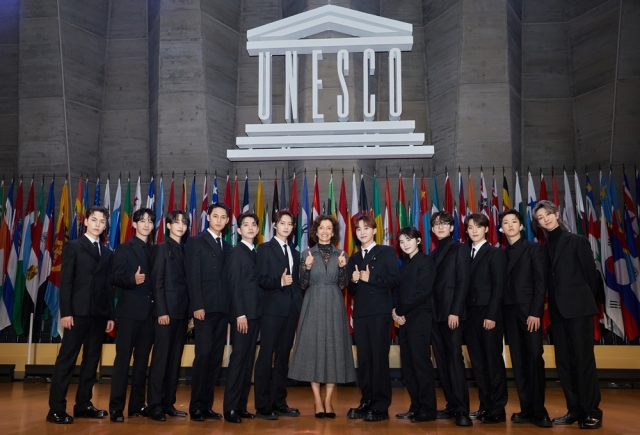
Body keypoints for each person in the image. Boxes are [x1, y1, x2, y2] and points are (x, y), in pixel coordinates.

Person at [533, 200, 602, 429]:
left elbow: (591, 277)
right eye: (540, 218)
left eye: (547, 215)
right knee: (564, 363)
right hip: (557, 313)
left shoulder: (576, 241)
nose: (545, 220)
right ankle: (574, 409)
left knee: (583, 362)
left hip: (579, 310)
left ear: (557, 213)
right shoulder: (542, 248)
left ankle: (592, 411)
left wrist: (581, 304)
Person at [46, 206, 114, 424]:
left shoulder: (108, 252)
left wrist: (110, 316)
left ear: (105, 226)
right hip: (76, 314)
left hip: (99, 315)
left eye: (102, 222)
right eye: (94, 220)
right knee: (67, 360)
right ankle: (55, 409)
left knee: (91, 361)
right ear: (86, 222)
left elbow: (107, 286)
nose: (97, 224)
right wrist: (66, 312)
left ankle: (83, 404)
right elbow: (65, 282)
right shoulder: (73, 246)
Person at [288, 215, 356, 419]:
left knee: (334, 349)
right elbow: (301, 284)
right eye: (321, 228)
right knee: (313, 349)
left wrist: (344, 267)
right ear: (315, 232)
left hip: (334, 302)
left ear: (333, 232)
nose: (325, 231)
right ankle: (317, 400)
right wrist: (306, 267)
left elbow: (344, 285)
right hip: (313, 302)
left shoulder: (341, 253)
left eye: (329, 228)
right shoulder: (307, 253)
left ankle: (328, 400)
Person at [499, 209, 551, 428]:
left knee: (534, 357)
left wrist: (535, 312)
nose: (510, 225)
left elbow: (541, 283)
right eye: (505, 222)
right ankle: (526, 408)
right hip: (508, 312)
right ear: (501, 229)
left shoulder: (534, 249)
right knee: (518, 362)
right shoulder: (500, 253)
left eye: (514, 222)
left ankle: (540, 411)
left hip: (529, 312)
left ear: (521, 226)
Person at [347, 215, 401, 422]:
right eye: (358, 229)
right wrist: (353, 281)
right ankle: (367, 400)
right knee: (365, 359)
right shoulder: (354, 258)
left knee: (379, 359)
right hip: (361, 314)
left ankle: (381, 405)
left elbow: (395, 279)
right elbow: (352, 291)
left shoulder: (386, 251)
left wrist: (372, 278)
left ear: (374, 231)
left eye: (366, 228)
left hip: (379, 312)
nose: (362, 232)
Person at [254, 210, 303, 419]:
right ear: (274, 225)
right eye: (281, 223)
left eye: (289, 223)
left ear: (293, 227)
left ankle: (279, 401)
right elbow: (261, 279)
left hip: (291, 310)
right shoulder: (264, 249)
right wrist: (279, 283)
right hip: (271, 310)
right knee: (266, 357)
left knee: (283, 357)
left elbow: (299, 283)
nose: (285, 226)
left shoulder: (296, 252)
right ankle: (263, 405)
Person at [109, 207, 155, 422]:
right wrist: (131, 280)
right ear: (134, 224)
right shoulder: (124, 248)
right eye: (142, 220)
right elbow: (114, 277)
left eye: (150, 221)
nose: (147, 224)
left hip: (149, 315)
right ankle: (116, 408)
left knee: (142, 362)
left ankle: (137, 404)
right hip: (128, 314)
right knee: (122, 362)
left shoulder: (155, 250)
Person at [187, 202, 232, 421]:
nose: (219, 220)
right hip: (203, 309)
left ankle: (207, 406)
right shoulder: (196, 242)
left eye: (224, 217)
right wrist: (197, 306)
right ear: (208, 218)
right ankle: (196, 406)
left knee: (215, 358)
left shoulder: (228, 246)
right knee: (203, 356)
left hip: (222, 309)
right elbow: (192, 276)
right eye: (216, 216)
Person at [428, 211, 472, 427]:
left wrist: (455, 311)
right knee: (442, 362)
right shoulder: (432, 254)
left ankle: (463, 410)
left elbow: (463, 281)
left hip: (452, 315)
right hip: (434, 316)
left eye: (444, 223)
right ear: (432, 230)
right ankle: (451, 405)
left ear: (452, 228)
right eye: (436, 224)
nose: (440, 226)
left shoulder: (460, 248)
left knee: (455, 360)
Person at [462, 213, 508, 423]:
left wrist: (492, 315)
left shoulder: (495, 253)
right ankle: (485, 405)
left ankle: (497, 409)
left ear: (487, 229)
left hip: (488, 314)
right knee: (478, 364)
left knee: (493, 363)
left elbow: (499, 287)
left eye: (478, 227)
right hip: (470, 315)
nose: (474, 230)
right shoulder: (464, 254)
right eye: (470, 227)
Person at [147, 210, 190, 421]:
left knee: (174, 361)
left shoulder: (186, 250)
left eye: (184, 223)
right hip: (165, 313)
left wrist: (189, 312)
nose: (180, 226)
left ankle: (168, 403)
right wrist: (161, 311)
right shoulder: (160, 249)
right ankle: (154, 405)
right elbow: (157, 283)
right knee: (160, 360)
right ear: (168, 226)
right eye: (177, 222)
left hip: (182, 313)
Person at [393, 226, 437, 423]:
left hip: (420, 318)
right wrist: (395, 312)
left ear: (418, 240)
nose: (405, 244)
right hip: (404, 321)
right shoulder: (403, 266)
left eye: (409, 240)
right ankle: (415, 406)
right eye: (401, 241)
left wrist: (400, 310)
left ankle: (428, 410)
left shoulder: (426, 262)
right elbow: (396, 293)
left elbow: (423, 292)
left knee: (421, 365)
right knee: (408, 366)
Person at [223, 212, 262, 423]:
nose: (249, 228)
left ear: (257, 230)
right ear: (238, 230)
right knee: (238, 361)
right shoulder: (235, 253)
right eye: (245, 225)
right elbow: (234, 286)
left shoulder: (256, 253)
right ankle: (229, 408)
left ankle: (241, 406)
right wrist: (240, 314)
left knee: (248, 363)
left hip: (255, 315)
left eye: (253, 225)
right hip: (242, 316)